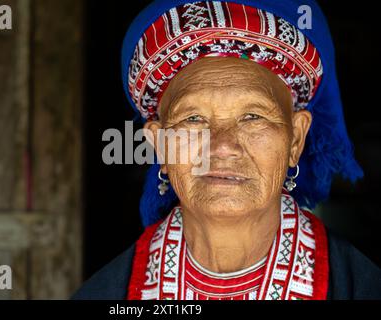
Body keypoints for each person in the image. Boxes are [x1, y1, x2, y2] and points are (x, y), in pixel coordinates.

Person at [73, 0, 381, 300]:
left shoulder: (362, 287)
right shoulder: (104, 293)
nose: (222, 146)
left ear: (296, 140)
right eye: (193, 118)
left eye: (253, 117)